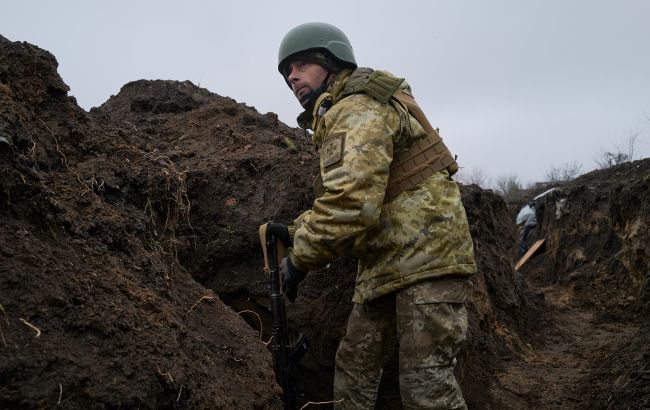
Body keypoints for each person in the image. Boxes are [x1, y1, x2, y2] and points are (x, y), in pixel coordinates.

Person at [268, 22, 477, 409]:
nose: (292, 77)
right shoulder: (341, 113)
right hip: (386, 262)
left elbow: (353, 203)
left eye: (299, 65)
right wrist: (297, 230)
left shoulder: (358, 108)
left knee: (426, 388)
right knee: (355, 371)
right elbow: (352, 191)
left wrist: (300, 258)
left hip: (426, 259)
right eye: (286, 73)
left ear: (330, 62)